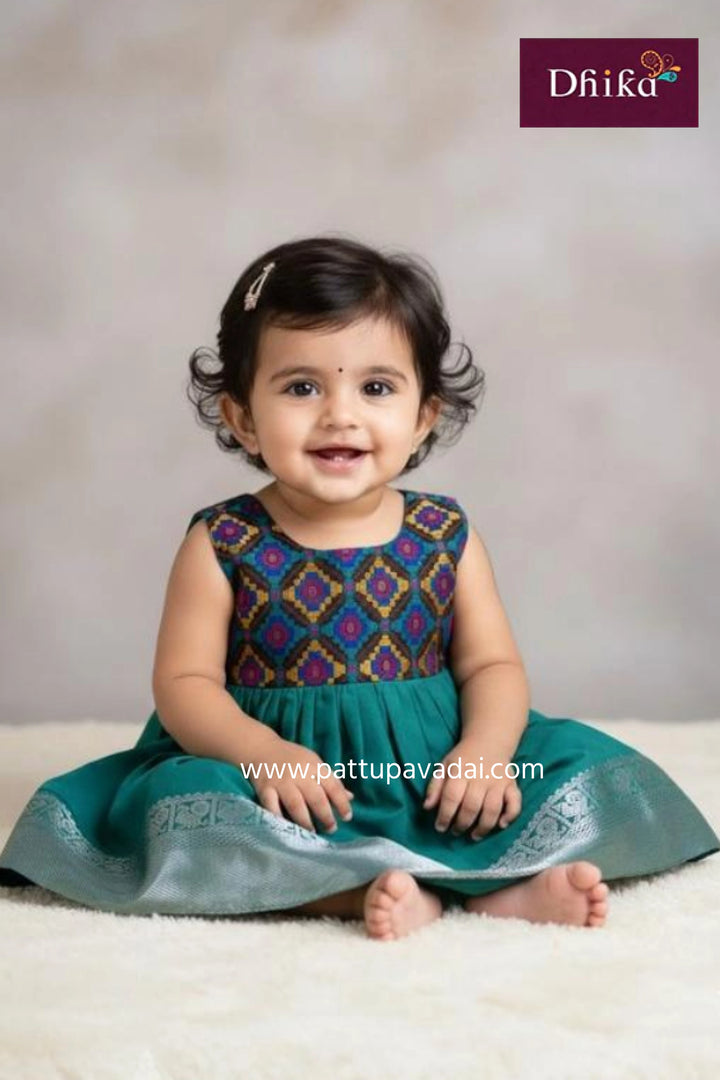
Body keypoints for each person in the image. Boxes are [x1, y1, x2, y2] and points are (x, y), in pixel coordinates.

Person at [1, 236, 717, 941]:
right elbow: (185, 684)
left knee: (569, 763)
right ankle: (356, 892)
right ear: (242, 416)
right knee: (185, 803)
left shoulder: (444, 534)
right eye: (301, 387)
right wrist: (260, 753)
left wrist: (485, 751)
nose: (339, 414)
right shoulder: (224, 541)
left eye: (375, 388)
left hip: (432, 774)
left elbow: (491, 665)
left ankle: (507, 889)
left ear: (424, 414)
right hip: (284, 786)